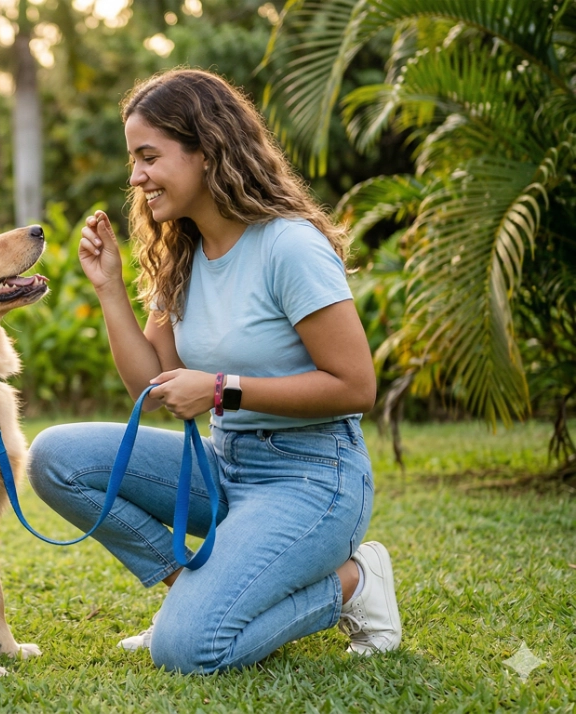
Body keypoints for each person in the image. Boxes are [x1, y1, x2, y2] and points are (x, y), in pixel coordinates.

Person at [27, 68, 400, 674]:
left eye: (149, 156)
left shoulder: (289, 246)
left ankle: (354, 583)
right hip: (223, 468)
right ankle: (194, 597)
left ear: (206, 150)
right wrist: (110, 293)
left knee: (190, 651)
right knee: (54, 458)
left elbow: (355, 387)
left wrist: (223, 389)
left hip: (312, 477)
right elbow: (152, 389)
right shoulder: (183, 253)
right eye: (133, 159)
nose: (135, 176)